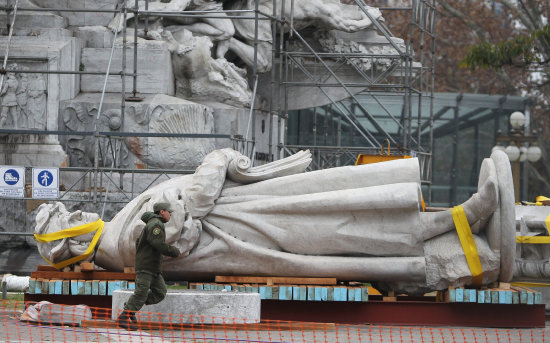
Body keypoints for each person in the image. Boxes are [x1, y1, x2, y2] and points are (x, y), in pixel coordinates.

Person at [34, 149, 515, 296]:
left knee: (357, 222)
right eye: (72, 218)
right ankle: (469, 222)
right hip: (253, 227)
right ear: (72, 240)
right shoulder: (120, 243)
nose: (81, 213)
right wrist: (218, 160)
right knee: (355, 230)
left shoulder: (116, 238)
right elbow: (186, 216)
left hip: (252, 216)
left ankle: (468, 218)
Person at [116, 202, 181, 330]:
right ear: (162, 212)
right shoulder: (156, 224)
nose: (170, 214)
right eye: (169, 211)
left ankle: (131, 306)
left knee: (160, 293)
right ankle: (122, 319)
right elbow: (157, 243)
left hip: (153, 268)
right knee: (141, 293)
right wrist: (174, 251)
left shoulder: (155, 224)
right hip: (146, 267)